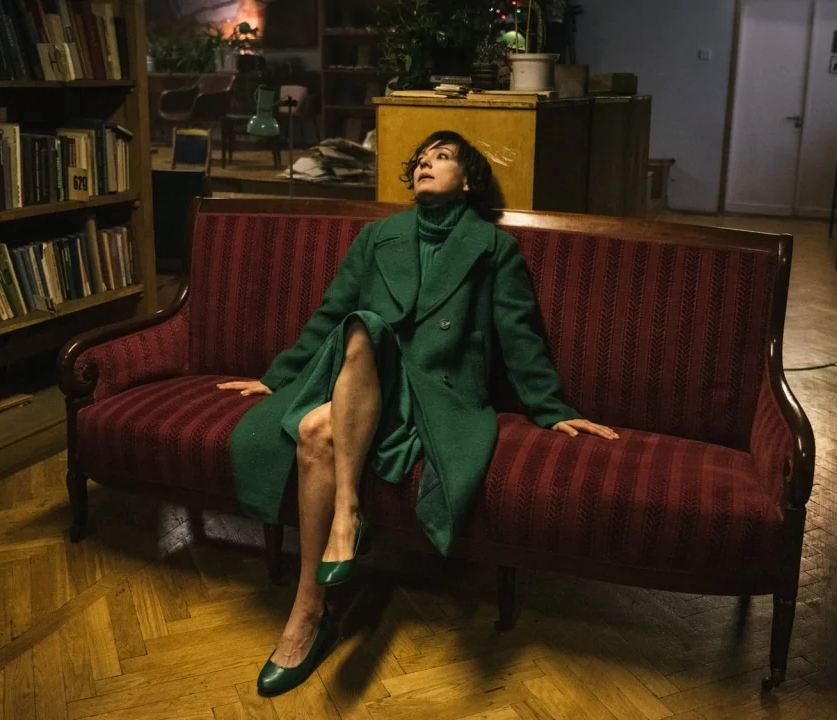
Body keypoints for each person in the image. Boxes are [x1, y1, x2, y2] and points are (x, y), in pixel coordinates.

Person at [220, 130, 617, 697]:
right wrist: (276, 376)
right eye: (422, 159)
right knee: (358, 333)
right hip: (364, 378)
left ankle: (319, 594)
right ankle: (313, 599)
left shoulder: (493, 248)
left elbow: (519, 335)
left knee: (315, 424)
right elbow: (330, 312)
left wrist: (551, 409)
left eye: (443, 157)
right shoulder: (377, 237)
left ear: (468, 180)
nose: (427, 164)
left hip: (434, 389)